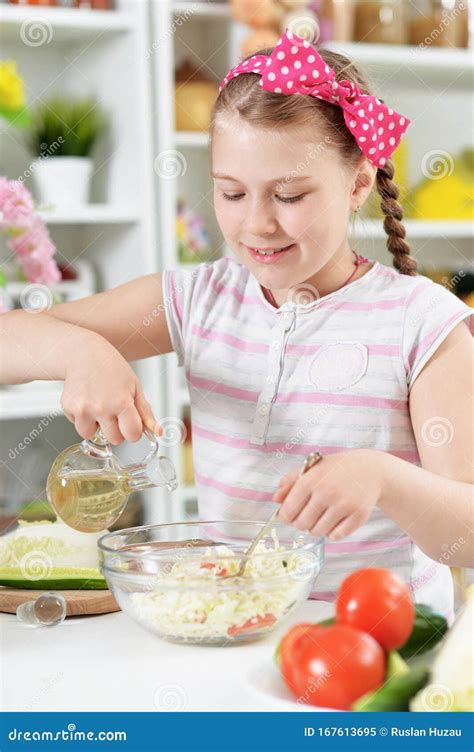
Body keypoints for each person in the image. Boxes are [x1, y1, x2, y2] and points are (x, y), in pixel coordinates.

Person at [1, 29, 472, 620]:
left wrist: (384, 479)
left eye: (290, 195)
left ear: (356, 183)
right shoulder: (200, 299)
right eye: (231, 192)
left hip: (375, 642)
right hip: (234, 624)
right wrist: (77, 352)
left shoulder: (422, 322)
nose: (257, 225)